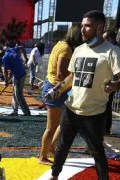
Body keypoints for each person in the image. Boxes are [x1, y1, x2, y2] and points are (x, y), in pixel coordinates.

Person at [41, 10, 120, 180]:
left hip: (95, 112)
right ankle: (55, 175)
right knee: (63, 145)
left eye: (87, 25)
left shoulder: (111, 51)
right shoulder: (79, 49)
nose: (82, 29)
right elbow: (72, 77)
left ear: (99, 27)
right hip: (72, 108)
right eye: (82, 25)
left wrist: (116, 84)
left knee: (97, 150)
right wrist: (56, 89)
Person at [39, 26, 82, 165]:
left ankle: (51, 148)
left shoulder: (60, 44)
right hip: (56, 89)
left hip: (56, 87)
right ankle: (43, 157)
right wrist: (75, 80)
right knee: (51, 127)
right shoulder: (66, 49)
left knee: (63, 123)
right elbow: (61, 74)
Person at [2, 43, 31, 116]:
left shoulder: (5, 58)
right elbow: (21, 47)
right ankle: (15, 110)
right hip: (18, 73)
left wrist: (6, 80)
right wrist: (25, 58)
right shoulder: (11, 50)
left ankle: (26, 112)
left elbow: (5, 71)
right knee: (14, 93)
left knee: (18, 95)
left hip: (19, 75)